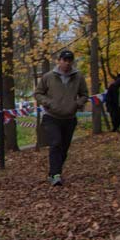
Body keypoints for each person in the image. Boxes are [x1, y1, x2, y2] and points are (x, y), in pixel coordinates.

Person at [34, 49, 88, 186]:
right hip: (51, 116)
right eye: (64, 60)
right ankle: (56, 175)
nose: (67, 63)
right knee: (56, 143)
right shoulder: (48, 76)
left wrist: (77, 104)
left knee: (64, 148)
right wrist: (48, 102)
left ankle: (54, 172)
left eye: (70, 60)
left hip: (69, 117)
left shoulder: (78, 77)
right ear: (59, 61)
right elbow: (38, 93)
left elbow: (84, 94)